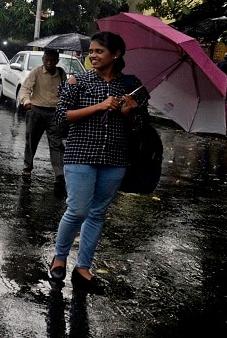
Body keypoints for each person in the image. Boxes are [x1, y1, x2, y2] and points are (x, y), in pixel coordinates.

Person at [48, 31, 149, 294]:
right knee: (78, 210)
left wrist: (129, 114)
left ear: (115, 54)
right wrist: (99, 107)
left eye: (99, 51)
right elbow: (61, 118)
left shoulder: (131, 85)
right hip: (80, 154)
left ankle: (83, 267)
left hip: (115, 158)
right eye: (91, 51)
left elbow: (141, 127)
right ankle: (59, 257)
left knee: (98, 213)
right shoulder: (76, 81)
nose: (92, 55)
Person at [19, 49, 66, 184]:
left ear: (57, 61)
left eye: (52, 60)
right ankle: (27, 167)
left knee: (56, 143)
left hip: (55, 113)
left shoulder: (61, 73)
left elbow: (65, 91)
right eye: (46, 60)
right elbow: (25, 88)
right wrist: (26, 101)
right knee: (31, 141)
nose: (49, 63)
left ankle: (59, 173)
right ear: (43, 60)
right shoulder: (36, 72)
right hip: (37, 111)